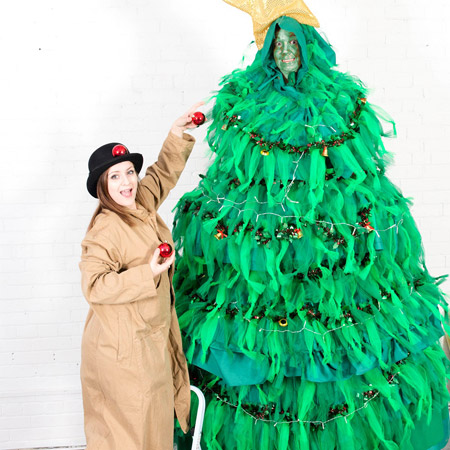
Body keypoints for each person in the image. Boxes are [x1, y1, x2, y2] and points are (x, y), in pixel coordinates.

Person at [171, 2, 450, 450]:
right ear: (266, 49)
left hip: (331, 250)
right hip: (263, 251)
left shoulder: (339, 101)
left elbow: (360, 170)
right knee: (261, 320)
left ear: (308, 47)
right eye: (278, 45)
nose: (285, 53)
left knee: (338, 329)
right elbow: (234, 171)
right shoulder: (245, 102)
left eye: (293, 44)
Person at [79, 102, 202, 450]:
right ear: (103, 185)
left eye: (129, 172)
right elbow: (94, 286)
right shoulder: (105, 229)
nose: (126, 182)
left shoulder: (140, 205)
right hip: (124, 354)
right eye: (114, 177)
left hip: (147, 344)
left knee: (152, 429)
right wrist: (145, 273)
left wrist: (177, 133)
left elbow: (162, 174)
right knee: (130, 436)